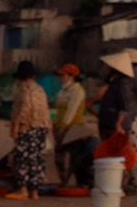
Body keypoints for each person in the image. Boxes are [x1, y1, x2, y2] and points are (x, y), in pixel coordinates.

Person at [101, 49, 137, 194]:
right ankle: (133, 184)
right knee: (130, 152)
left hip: (134, 118)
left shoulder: (136, 74)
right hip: (130, 117)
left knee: (134, 152)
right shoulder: (128, 75)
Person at [6, 60, 52, 199]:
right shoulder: (39, 89)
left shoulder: (24, 89)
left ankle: (23, 189)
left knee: (22, 158)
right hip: (42, 126)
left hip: (28, 127)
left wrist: (16, 126)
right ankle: (35, 191)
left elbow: (25, 107)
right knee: (37, 159)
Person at [50, 64, 89, 179]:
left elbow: (71, 111)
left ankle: (74, 181)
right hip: (60, 128)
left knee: (74, 157)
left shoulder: (77, 91)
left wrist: (61, 128)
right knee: (59, 157)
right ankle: (63, 180)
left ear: (72, 76)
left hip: (74, 129)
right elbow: (58, 113)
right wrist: (55, 127)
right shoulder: (62, 92)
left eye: (63, 76)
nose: (61, 79)